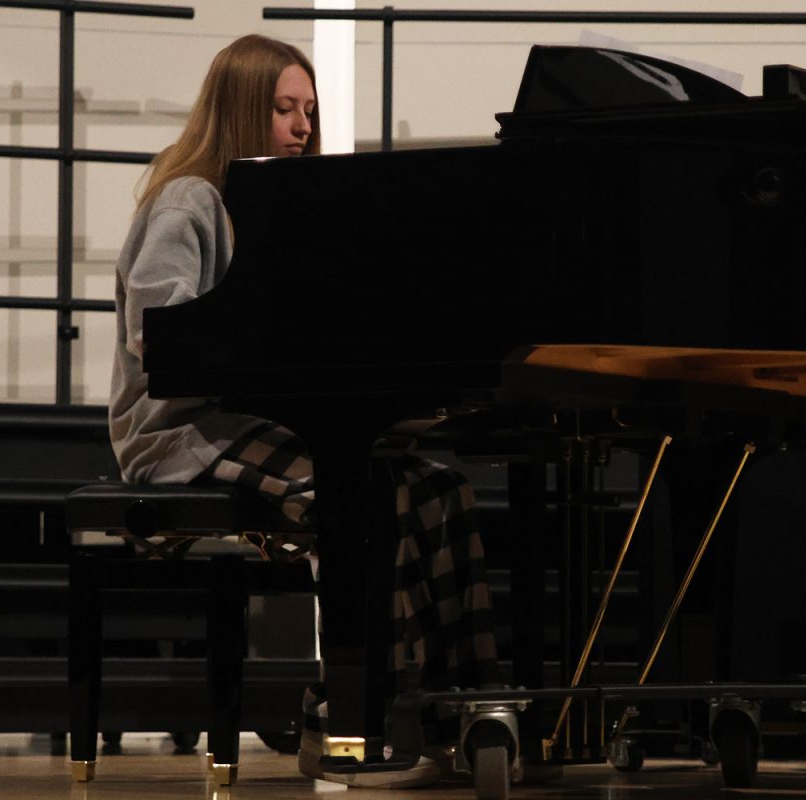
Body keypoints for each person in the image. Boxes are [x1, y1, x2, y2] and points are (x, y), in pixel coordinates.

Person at [108, 33, 497, 788]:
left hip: (249, 420)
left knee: (441, 490)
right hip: (178, 430)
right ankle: (357, 717)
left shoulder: (278, 210)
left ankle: (463, 712)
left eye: (308, 111)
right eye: (285, 108)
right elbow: (158, 333)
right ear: (243, 112)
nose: (302, 126)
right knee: (362, 494)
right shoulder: (192, 197)